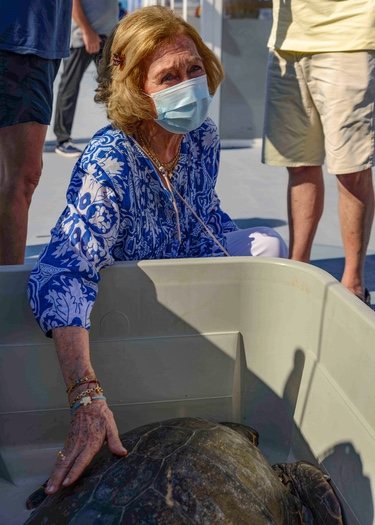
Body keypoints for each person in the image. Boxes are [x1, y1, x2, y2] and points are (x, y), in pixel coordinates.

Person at [28, 5, 287, 495]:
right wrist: (85, 396)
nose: (188, 85)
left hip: (186, 281)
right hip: (128, 311)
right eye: (168, 77)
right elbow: (62, 272)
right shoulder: (111, 161)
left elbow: (206, 219)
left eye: (194, 69)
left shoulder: (201, 138)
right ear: (136, 90)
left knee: (271, 248)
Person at [262, 1, 375, 304]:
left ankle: (353, 281)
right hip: (286, 43)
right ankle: (299, 271)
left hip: (349, 37)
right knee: (299, 165)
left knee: (350, 168)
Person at [0, 1, 72, 265]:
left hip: (42, 37)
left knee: (16, 178)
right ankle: (6, 298)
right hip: (18, 36)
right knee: (20, 178)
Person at [54, 0, 119, 158]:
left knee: (115, 86)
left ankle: (121, 132)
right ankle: (62, 140)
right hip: (82, 37)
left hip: (107, 36)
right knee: (70, 86)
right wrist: (87, 31)